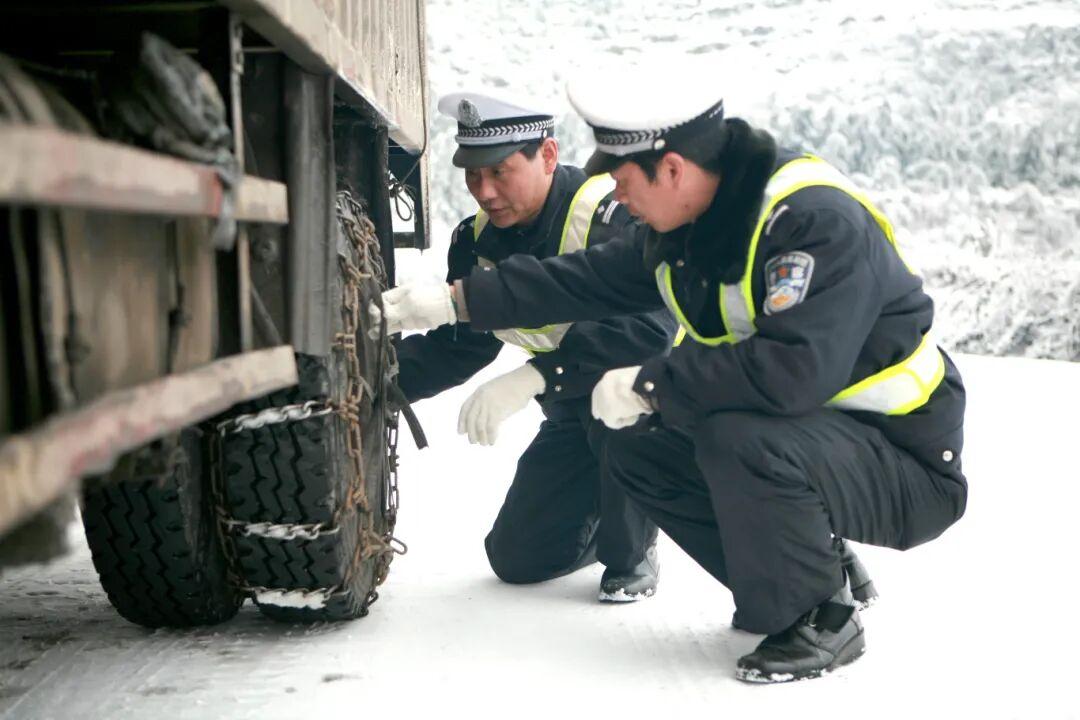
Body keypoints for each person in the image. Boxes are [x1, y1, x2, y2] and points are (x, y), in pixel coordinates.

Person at [379, 70, 967, 683]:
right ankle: (784, 584)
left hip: (903, 459)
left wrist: (649, 384)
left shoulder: (813, 224)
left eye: (625, 183)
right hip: (813, 441)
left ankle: (822, 615)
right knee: (636, 444)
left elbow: (793, 372)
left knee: (733, 435)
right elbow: (578, 278)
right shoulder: (687, 227)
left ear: (675, 170)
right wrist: (457, 301)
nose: (620, 197)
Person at [386, 90, 676, 601]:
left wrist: (537, 375)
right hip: (570, 412)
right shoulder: (474, 240)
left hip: (649, 403)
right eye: (473, 175)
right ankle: (613, 516)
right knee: (518, 559)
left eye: (500, 172)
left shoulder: (611, 218)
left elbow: (650, 329)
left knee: (623, 419)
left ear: (547, 155)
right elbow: (461, 346)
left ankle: (634, 544)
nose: (485, 190)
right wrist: (379, 380)